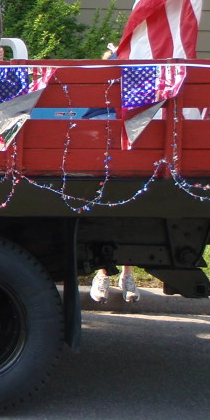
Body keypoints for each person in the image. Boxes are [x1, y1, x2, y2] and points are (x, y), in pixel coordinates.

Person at [89, 41, 140, 303]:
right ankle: (102, 274)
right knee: (104, 214)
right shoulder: (103, 85)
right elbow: (92, 119)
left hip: (133, 158)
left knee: (130, 216)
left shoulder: (142, 76)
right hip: (106, 158)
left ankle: (128, 275)